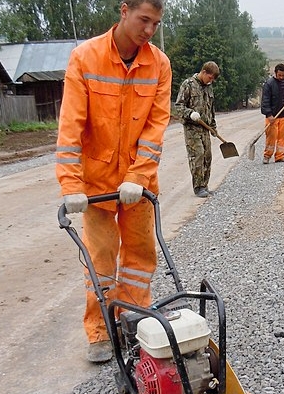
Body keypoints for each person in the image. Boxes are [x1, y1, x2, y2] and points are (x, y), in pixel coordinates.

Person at [55, 0, 172, 363]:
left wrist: (138, 176)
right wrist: (71, 185)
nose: (149, 31)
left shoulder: (159, 64)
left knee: (140, 258)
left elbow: (156, 127)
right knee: (101, 260)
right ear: (124, 11)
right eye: (143, 20)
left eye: (155, 23)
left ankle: (135, 321)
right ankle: (101, 330)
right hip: (96, 185)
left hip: (139, 185)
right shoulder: (85, 58)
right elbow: (71, 125)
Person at [175, 61, 221, 198]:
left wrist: (213, 126)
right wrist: (190, 114)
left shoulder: (208, 87)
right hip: (192, 128)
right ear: (204, 72)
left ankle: (205, 186)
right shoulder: (188, 84)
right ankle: (198, 187)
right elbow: (179, 107)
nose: (211, 81)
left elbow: (210, 109)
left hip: (205, 128)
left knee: (207, 156)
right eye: (210, 77)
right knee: (198, 155)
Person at [260, 63, 284, 164]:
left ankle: (279, 156)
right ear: (275, 73)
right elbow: (265, 101)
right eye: (279, 75)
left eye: (283, 75)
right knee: (271, 137)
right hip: (272, 117)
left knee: (282, 137)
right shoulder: (269, 84)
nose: (281, 77)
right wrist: (269, 115)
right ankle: (267, 156)